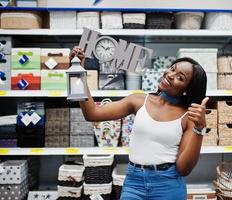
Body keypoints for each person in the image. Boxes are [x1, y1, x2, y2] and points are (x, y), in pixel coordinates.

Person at [70, 46, 209, 200]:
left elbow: (184, 169)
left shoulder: (188, 117)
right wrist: (78, 72)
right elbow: (91, 113)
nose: (170, 75)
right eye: (172, 69)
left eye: (180, 77)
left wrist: (199, 129)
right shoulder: (138, 100)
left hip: (168, 185)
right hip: (134, 182)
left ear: (186, 90)